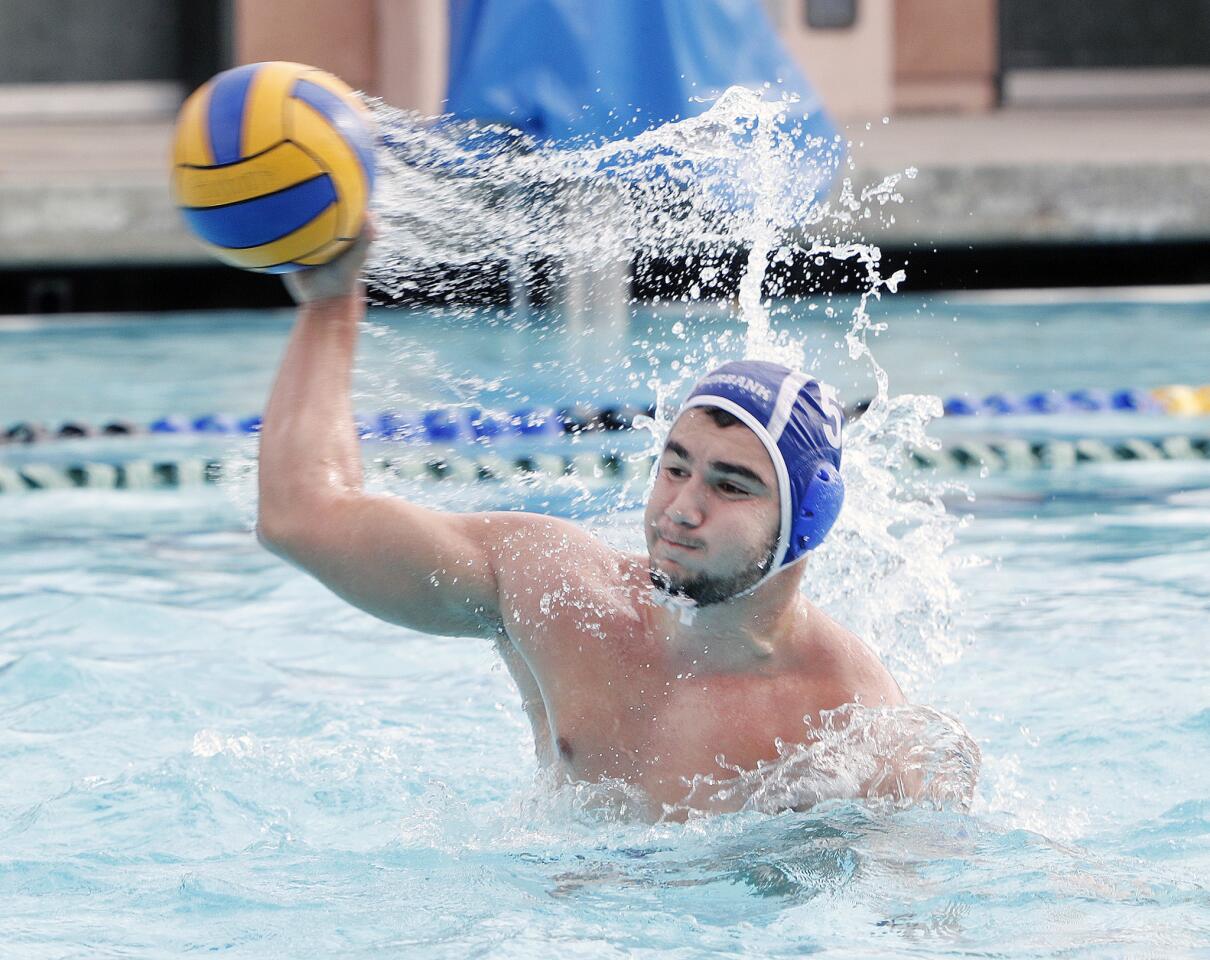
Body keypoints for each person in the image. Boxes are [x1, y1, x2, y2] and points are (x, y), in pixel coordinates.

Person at [257, 232, 912, 819]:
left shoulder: (853, 728)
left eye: (729, 486)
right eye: (675, 468)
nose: (682, 507)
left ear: (809, 521)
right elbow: (302, 517)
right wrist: (329, 304)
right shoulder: (559, 595)